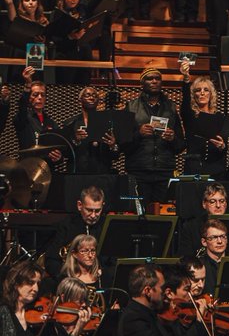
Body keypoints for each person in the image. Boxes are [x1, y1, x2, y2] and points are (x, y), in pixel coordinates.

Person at [121, 65, 185, 205]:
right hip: (139, 171)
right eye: (150, 79)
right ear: (142, 83)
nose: (155, 81)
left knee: (162, 214)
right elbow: (122, 145)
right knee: (139, 214)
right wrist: (139, 134)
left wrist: (173, 138)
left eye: (158, 78)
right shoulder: (130, 107)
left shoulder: (171, 107)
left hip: (164, 171)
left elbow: (181, 146)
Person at [44, 185, 106, 278]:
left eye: (97, 211)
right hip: (71, 279)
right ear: (79, 205)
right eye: (89, 210)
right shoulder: (66, 226)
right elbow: (51, 261)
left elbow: (113, 260)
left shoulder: (107, 225)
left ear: (103, 206)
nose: (93, 215)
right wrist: (69, 277)